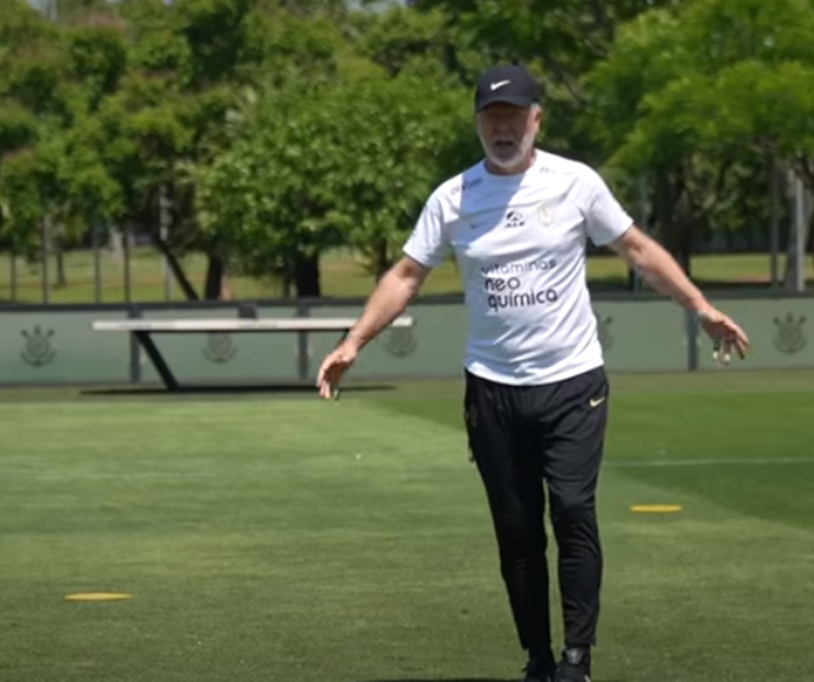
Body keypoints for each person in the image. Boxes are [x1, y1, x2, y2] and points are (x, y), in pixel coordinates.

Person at [316, 64, 749, 682]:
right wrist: (355, 340)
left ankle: (578, 658)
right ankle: (538, 660)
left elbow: (638, 250)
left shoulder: (576, 183)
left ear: (536, 119)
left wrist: (701, 309)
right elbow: (407, 274)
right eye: (492, 119)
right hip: (492, 390)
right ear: (477, 124)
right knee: (517, 530)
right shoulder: (454, 197)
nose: (503, 129)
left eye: (514, 118)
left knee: (573, 509)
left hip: (573, 382)